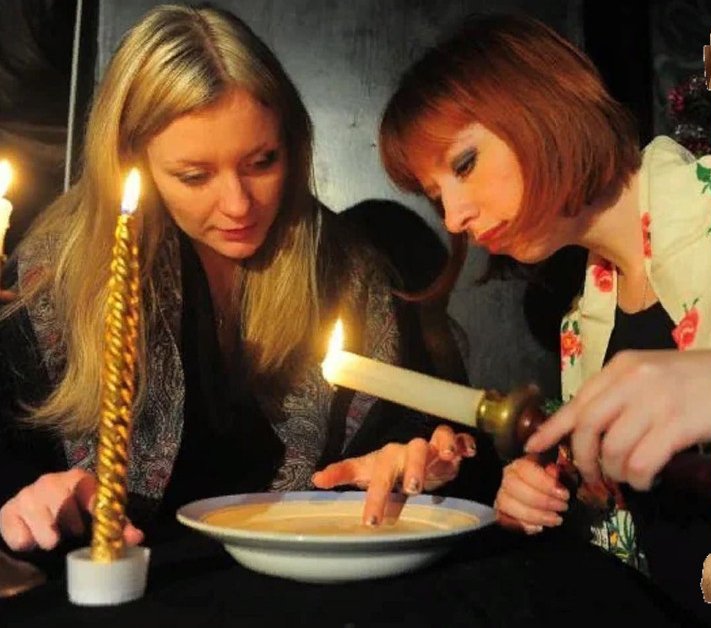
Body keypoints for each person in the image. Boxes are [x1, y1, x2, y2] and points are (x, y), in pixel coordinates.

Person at [0, 4, 475, 565]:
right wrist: (25, 498)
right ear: (132, 162)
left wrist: (411, 460)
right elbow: (14, 463)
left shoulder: (347, 267)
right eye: (195, 176)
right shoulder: (52, 276)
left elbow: (410, 437)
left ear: (292, 143)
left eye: (261, 162)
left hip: (310, 580)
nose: (238, 205)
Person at [375, 14, 711, 627]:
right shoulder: (583, 319)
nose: (453, 217)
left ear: (541, 106)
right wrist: (546, 493)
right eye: (436, 195)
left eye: (464, 163)